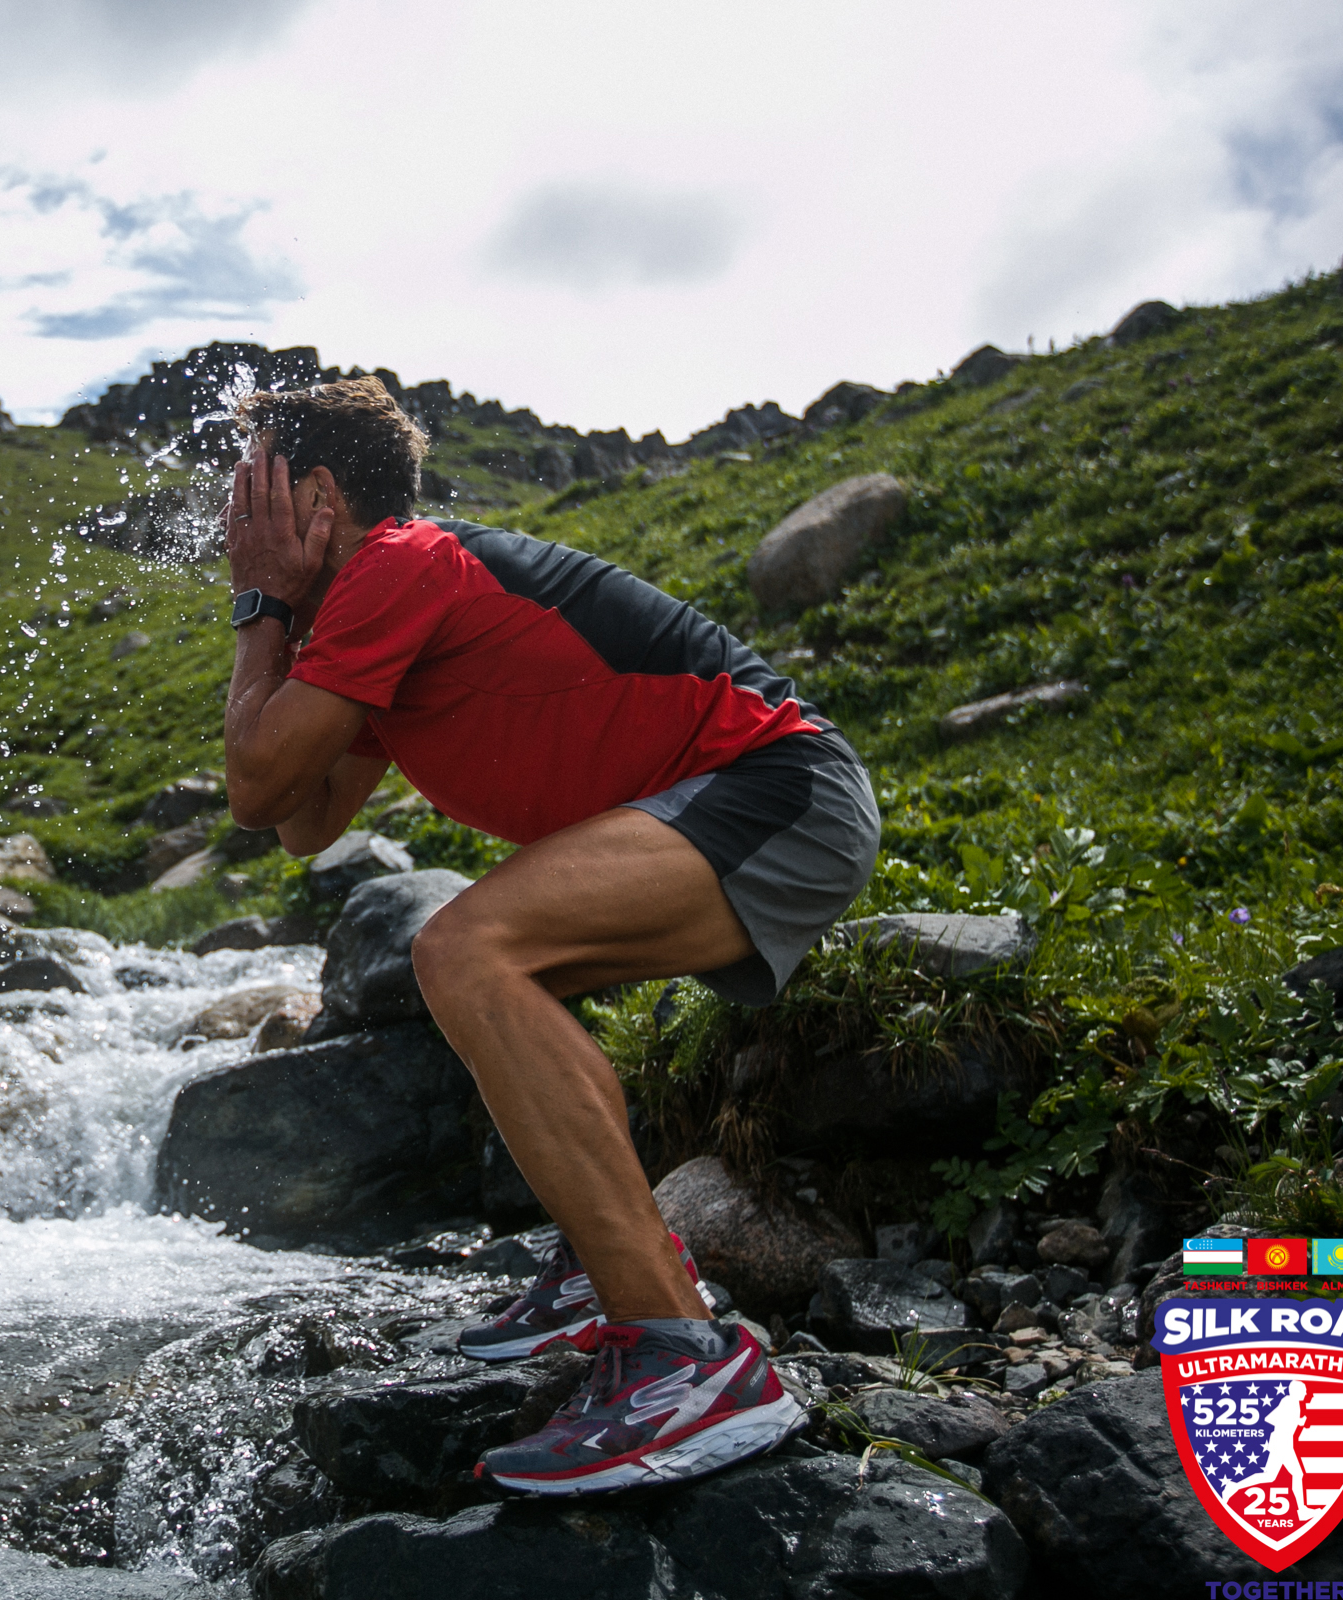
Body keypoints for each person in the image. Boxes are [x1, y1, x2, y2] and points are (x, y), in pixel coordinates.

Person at [218, 377, 880, 1495]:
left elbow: (254, 785)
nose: (230, 516)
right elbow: (302, 819)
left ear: (320, 496)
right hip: (728, 800)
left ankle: (690, 1356)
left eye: (254, 489)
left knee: (468, 949)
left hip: (776, 790)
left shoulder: (400, 563)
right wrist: (282, 621)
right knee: (493, 961)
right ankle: (599, 1262)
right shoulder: (365, 611)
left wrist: (259, 607)